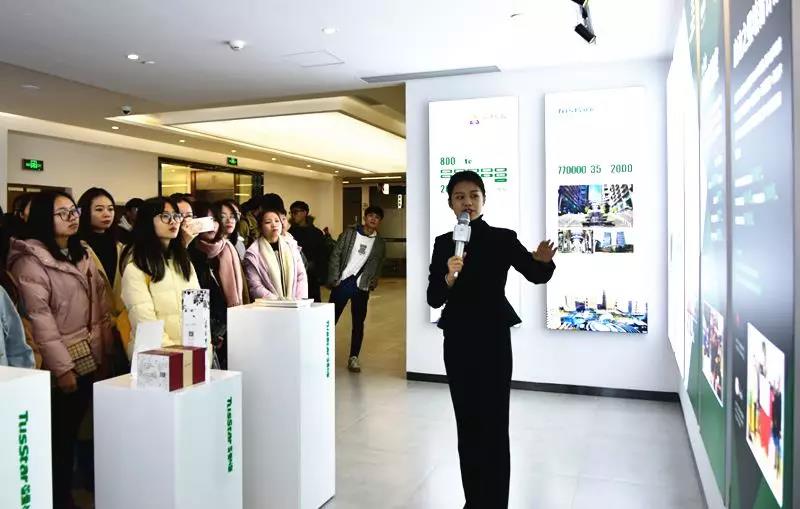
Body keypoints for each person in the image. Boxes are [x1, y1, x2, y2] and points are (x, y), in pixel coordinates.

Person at [427, 171, 556, 508]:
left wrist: (544, 262)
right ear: (450, 203)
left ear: (483, 200)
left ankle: (496, 502)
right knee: (467, 423)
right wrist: (448, 277)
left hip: (493, 340)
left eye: (473, 195)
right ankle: (474, 500)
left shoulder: (502, 238)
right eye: (459, 197)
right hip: (457, 340)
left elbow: (534, 273)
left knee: (495, 425)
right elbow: (433, 297)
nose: (467, 202)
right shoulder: (443, 243)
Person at [8, 191, 113, 509]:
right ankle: (59, 497)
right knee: (59, 437)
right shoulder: (30, 260)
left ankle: (72, 490)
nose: (72, 217)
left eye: (74, 211)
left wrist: (105, 351)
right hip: (62, 362)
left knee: (80, 430)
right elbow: (41, 321)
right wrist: (63, 368)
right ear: (44, 218)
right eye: (63, 213)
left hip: (90, 355)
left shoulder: (82, 252)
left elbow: (101, 306)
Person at [120, 197, 200, 353]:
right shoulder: (136, 269)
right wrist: (177, 355)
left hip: (192, 353)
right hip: (157, 357)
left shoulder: (184, 263)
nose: (173, 221)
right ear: (147, 221)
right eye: (165, 216)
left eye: (176, 216)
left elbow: (198, 312)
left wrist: (202, 349)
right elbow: (146, 324)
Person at [327, 206, 386, 373]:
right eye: (370, 216)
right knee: (330, 320)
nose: (373, 219)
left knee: (358, 323)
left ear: (379, 221)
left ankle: (354, 357)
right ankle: (320, 351)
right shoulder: (350, 234)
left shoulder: (380, 243)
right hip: (343, 283)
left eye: (377, 217)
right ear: (365, 217)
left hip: (362, 286)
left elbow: (379, 263)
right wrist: (334, 278)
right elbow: (336, 254)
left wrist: (373, 281)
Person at [188, 201, 246, 369]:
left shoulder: (227, 248)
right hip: (204, 332)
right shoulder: (190, 253)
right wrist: (214, 331)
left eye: (214, 219)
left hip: (228, 325)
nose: (211, 225)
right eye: (205, 220)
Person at [78, 187, 129, 375]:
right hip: (92, 324)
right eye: (99, 209)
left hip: (121, 323)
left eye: (110, 209)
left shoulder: (121, 244)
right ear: (85, 212)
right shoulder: (78, 248)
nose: (107, 214)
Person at [244, 207, 308, 301]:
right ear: (260, 227)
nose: (274, 224)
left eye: (277, 221)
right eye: (268, 222)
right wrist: (278, 301)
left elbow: (301, 275)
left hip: (295, 304)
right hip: (269, 306)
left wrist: (298, 300)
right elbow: (255, 286)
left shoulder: (291, 246)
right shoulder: (253, 253)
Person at [289, 200, 327, 302]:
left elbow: (322, 255)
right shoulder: (290, 234)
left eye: (295, 212)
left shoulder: (316, 233)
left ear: (304, 213)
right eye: (291, 212)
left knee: (313, 303)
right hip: (295, 275)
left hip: (312, 276)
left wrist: (321, 275)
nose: (293, 215)